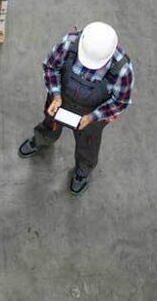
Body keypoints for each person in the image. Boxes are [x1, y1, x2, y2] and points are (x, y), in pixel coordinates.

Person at [17, 22, 134, 195]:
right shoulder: (69, 43)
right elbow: (51, 67)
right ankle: (41, 139)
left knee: (88, 143)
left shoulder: (122, 69)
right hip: (61, 99)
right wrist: (56, 94)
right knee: (50, 123)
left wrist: (94, 116)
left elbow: (120, 102)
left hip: (92, 112)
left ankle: (82, 171)